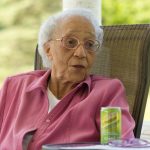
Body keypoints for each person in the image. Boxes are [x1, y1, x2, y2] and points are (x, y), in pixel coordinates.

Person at [0, 8, 135, 150]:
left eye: (89, 44)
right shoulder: (14, 86)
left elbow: (120, 146)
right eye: (70, 42)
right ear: (48, 50)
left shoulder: (107, 93)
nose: (81, 53)